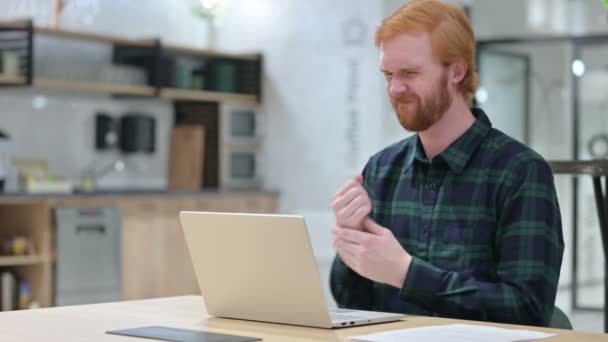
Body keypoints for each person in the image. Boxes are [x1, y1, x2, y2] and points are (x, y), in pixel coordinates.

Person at [329, 0, 564, 327]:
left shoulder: (520, 172)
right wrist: (350, 243)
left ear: (457, 70)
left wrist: (406, 273)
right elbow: (352, 302)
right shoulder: (381, 170)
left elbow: (527, 309)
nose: (395, 88)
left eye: (409, 73)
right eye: (388, 74)